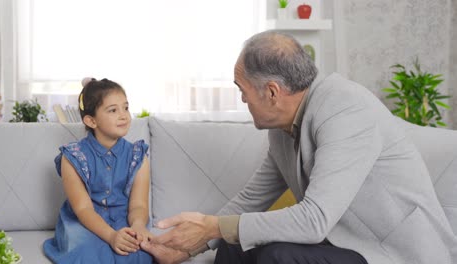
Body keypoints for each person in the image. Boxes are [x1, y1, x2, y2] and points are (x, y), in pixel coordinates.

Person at [141, 30, 457, 264]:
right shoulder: (283, 127)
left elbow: (314, 219)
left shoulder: (346, 108)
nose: (242, 100)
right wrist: (188, 248)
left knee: (277, 257)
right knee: (233, 248)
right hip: (344, 242)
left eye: (243, 90)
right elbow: (253, 198)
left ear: (273, 92)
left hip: (397, 253)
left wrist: (212, 226)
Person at [43, 78, 153, 264]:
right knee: (88, 252)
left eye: (126, 108)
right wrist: (111, 236)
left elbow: (138, 206)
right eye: (113, 110)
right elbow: (83, 208)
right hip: (85, 221)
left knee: (138, 252)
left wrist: (138, 226)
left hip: (124, 219)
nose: (124, 115)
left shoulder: (138, 155)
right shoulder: (72, 157)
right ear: (91, 121)